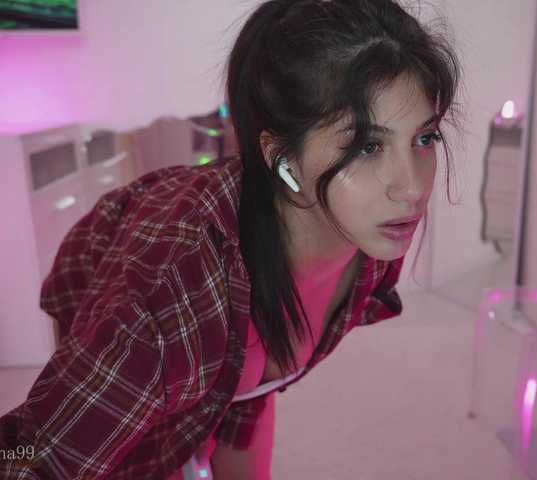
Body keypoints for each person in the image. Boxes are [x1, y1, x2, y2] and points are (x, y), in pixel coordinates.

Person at [0, 0, 461, 478]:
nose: (412, 188)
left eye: (425, 139)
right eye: (367, 146)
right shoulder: (166, 305)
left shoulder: (370, 236)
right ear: (282, 158)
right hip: (111, 278)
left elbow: (252, 385)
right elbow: (30, 459)